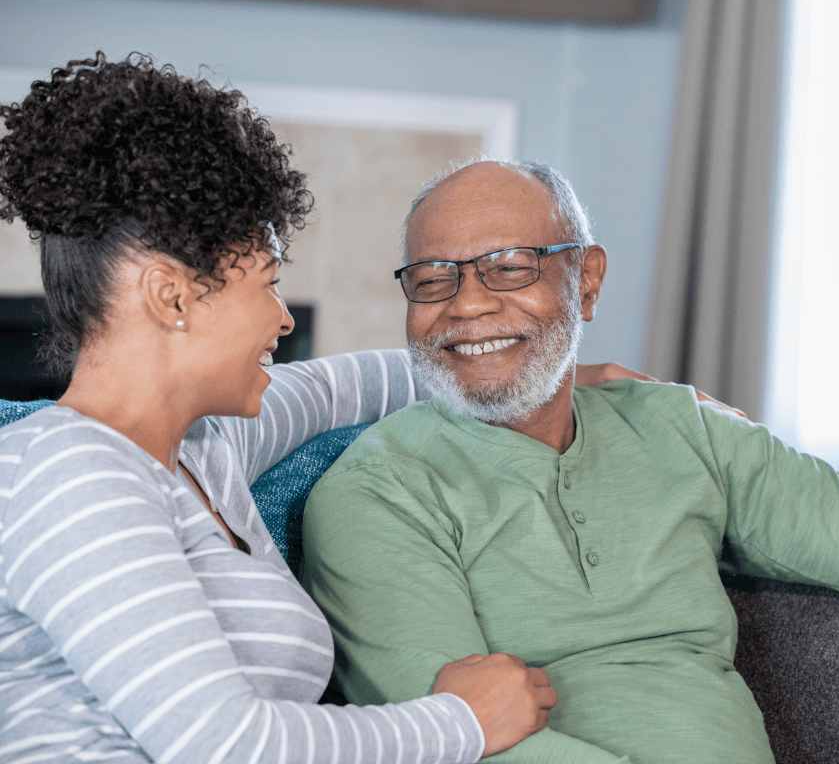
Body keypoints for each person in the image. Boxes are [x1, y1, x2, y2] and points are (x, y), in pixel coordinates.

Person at [301, 159, 839, 764]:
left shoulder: (681, 430)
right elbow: (458, 742)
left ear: (585, 281)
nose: (467, 305)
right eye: (433, 279)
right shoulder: (374, 494)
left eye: (509, 269)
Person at [0, 54, 568, 763]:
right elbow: (228, 744)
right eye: (267, 283)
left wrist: (533, 371)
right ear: (171, 296)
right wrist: (462, 722)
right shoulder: (70, 472)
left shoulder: (207, 451)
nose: (282, 320)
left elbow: (348, 387)